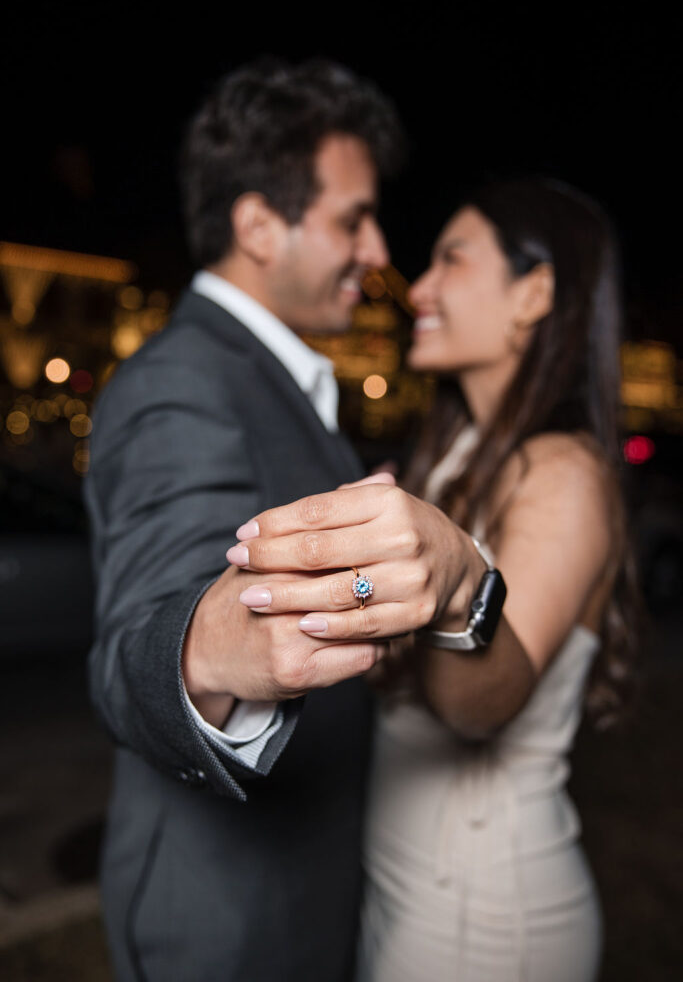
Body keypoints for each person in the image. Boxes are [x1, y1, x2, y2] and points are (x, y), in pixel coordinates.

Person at [85, 58, 473, 982]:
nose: (378, 251)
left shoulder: (269, 376)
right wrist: (208, 647)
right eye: (352, 218)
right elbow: (137, 635)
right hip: (230, 922)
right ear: (259, 224)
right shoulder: (182, 380)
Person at [230, 180, 639, 981]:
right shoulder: (457, 456)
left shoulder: (563, 471)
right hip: (406, 887)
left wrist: (460, 590)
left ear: (534, 294)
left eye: (450, 259)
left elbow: (479, 705)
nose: (417, 288)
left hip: (483, 916)